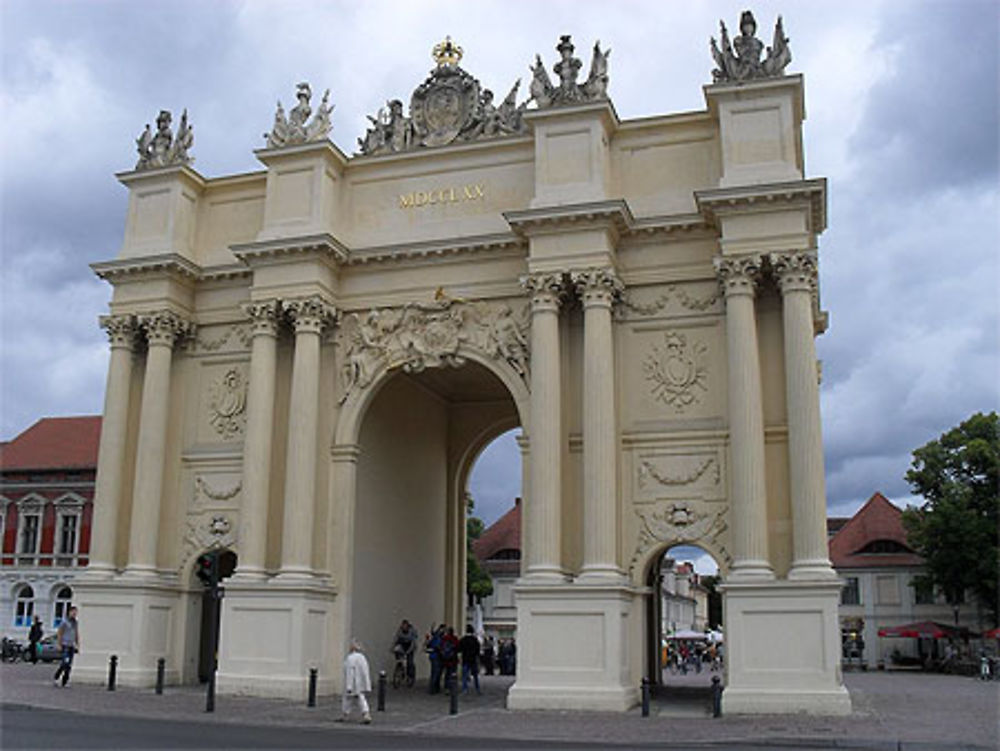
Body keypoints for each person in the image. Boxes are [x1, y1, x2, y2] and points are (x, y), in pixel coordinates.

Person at [338, 639, 372, 724]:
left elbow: (350, 672)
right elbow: (365, 672)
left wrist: (349, 685)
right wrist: (366, 684)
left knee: (348, 698)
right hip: (359, 683)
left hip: (353, 683)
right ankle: (365, 714)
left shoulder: (350, 658)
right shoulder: (362, 658)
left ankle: (345, 714)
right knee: (361, 697)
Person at [53, 606, 79, 687]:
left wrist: (77, 644)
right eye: (73, 612)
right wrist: (59, 644)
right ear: (69, 612)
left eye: (76, 612)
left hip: (71, 645)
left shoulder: (75, 622)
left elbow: (76, 634)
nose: (74, 614)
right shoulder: (64, 622)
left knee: (69, 665)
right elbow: (60, 633)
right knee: (65, 662)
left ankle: (65, 681)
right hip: (65, 645)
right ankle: (56, 677)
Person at [458, 625, 481, 694]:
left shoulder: (463, 639)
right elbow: (478, 650)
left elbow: (459, 649)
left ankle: (464, 689)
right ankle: (477, 689)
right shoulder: (475, 640)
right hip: (473, 659)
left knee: (464, 675)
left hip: (465, 659)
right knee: (475, 675)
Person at [393, 619, 417, 683]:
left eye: (405, 626)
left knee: (409, 662)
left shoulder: (412, 631)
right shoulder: (400, 631)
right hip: (403, 644)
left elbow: (413, 643)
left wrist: (408, 651)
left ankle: (410, 676)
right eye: (403, 626)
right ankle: (400, 668)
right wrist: (393, 648)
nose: (404, 627)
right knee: (398, 654)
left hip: (410, 645)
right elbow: (396, 639)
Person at [425, 624, 444, 694]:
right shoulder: (438, 638)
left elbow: (428, 645)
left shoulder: (434, 636)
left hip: (433, 656)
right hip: (436, 656)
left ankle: (434, 687)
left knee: (434, 672)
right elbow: (438, 647)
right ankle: (433, 688)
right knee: (436, 673)